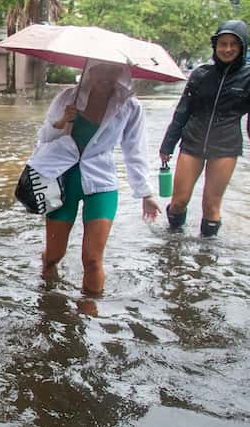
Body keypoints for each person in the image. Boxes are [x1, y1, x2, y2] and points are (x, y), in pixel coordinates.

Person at [29, 60, 161, 295]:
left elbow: (135, 150)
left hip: (101, 181)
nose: (105, 76)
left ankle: (89, 315)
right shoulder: (68, 97)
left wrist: (145, 193)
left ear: (121, 72)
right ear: (90, 70)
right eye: (100, 69)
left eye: (112, 70)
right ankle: (47, 302)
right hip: (62, 179)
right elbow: (44, 139)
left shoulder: (129, 106)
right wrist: (62, 122)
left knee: (92, 259)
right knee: (54, 256)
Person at [159, 20, 250, 237]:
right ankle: (172, 242)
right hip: (193, 142)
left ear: (242, 47)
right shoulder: (201, 74)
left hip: (225, 146)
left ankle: (206, 256)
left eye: (233, 44)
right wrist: (168, 145)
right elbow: (182, 111)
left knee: (211, 205)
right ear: (215, 46)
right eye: (222, 44)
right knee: (179, 200)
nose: (227, 49)